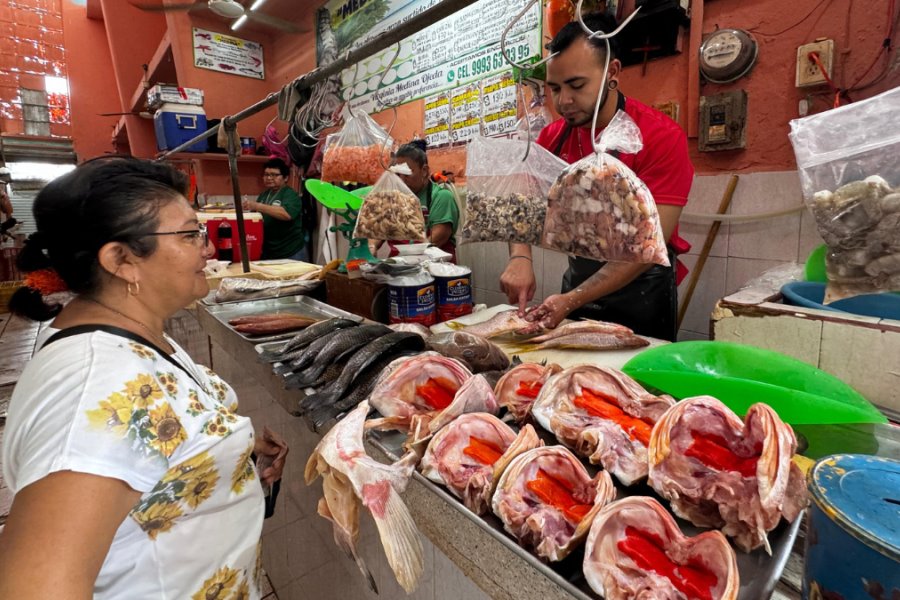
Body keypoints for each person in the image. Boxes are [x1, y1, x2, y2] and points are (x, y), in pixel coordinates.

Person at [0, 157, 288, 599]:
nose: (208, 247)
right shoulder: (96, 388)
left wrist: (229, 460)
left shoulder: (127, 336)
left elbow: (146, 453)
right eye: (190, 234)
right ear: (121, 259)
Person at [500, 12, 694, 341]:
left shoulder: (660, 136)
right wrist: (520, 256)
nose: (564, 101)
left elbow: (648, 246)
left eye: (577, 85)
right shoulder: (551, 138)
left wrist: (571, 300)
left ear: (612, 72)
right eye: (556, 88)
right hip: (575, 284)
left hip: (641, 291)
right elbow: (521, 205)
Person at [389, 140, 460, 262]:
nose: (401, 180)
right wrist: (371, 246)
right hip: (401, 268)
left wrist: (409, 260)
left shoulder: (441, 196)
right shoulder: (395, 197)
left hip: (437, 268)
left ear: (424, 171)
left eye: (407, 173)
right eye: (398, 174)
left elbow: (439, 237)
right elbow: (380, 230)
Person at [242, 157, 309, 261]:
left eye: (274, 175)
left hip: (291, 252)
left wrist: (257, 206)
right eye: (266, 174)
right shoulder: (264, 195)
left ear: (286, 178)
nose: (269, 178)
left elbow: (287, 214)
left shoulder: (290, 194)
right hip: (270, 252)